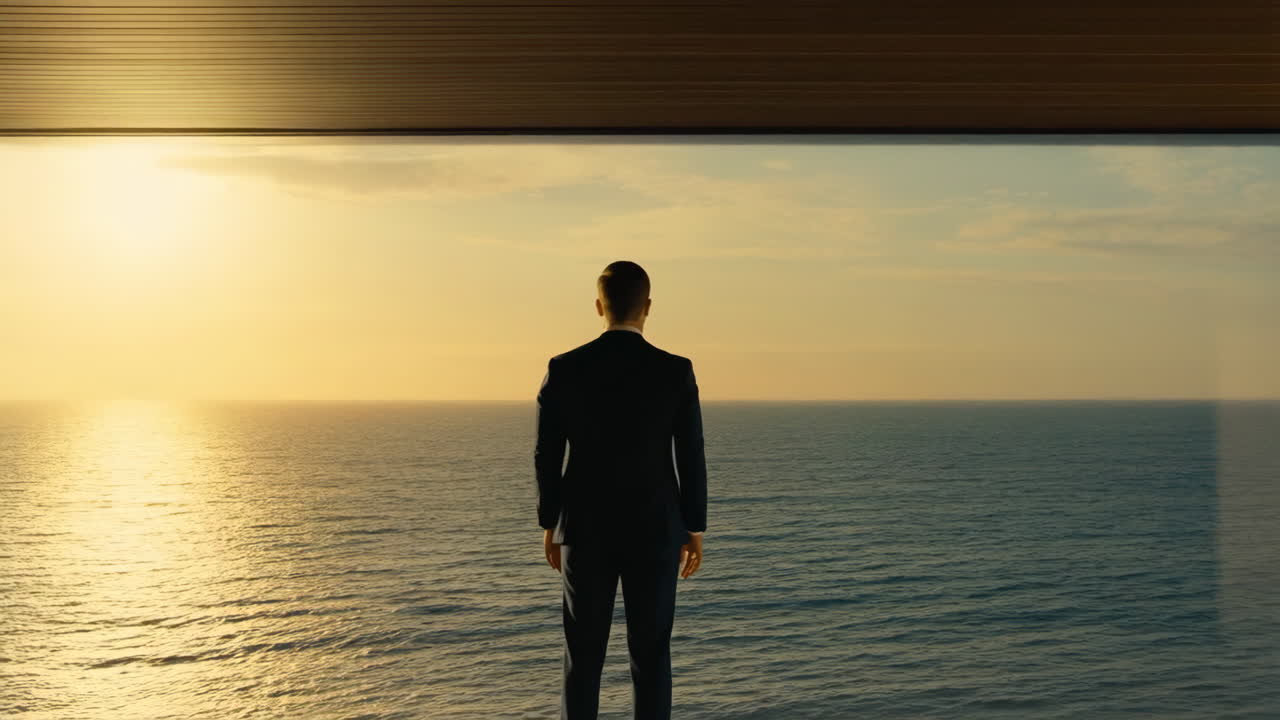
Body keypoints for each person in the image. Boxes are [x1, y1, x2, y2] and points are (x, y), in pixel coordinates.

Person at [535, 260, 708, 720]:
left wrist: (550, 522)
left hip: (584, 530)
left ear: (599, 307)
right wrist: (693, 526)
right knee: (651, 656)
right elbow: (691, 453)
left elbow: (546, 454)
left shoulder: (564, 368)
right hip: (655, 528)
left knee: (583, 658)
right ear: (648, 307)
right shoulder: (675, 371)